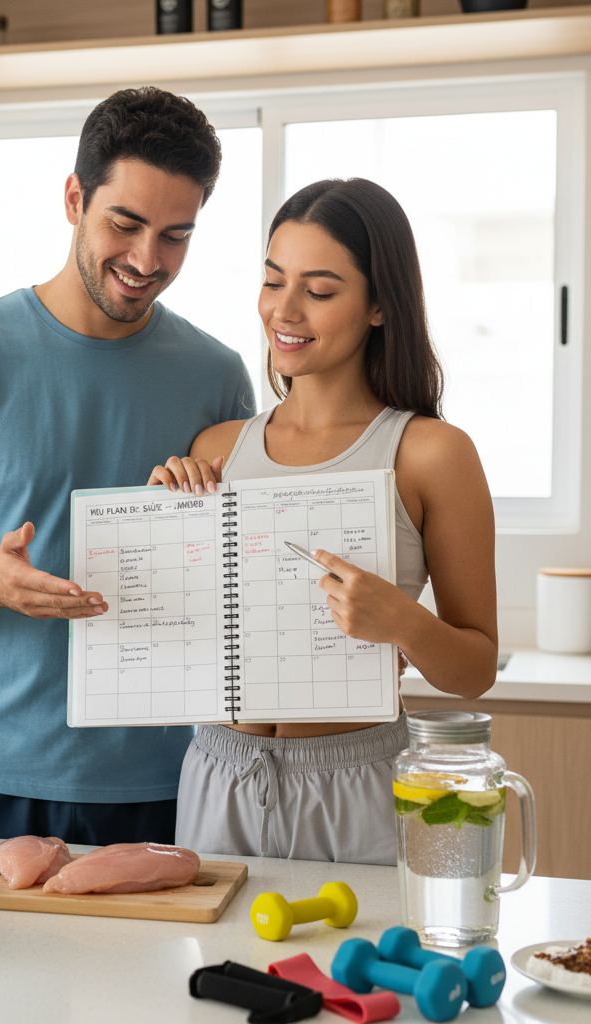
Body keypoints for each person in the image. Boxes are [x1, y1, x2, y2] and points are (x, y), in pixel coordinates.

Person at [0, 87, 255, 846]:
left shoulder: (217, 375)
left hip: (166, 782)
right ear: (75, 197)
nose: (148, 261)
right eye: (126, 224)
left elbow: (236, 586)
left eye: (176, 235)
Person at [148, 178, 497, 865]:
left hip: (356, 782)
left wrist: (399, 620)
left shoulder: (432, 454)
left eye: (320, 290)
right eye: (273, 280)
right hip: (219, 772)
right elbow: (179, 631)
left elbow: (476, 666)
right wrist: (160, 522)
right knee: (215, 975)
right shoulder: (215, 451)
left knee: (356, 975)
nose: (285, 310)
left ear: (378, 307)